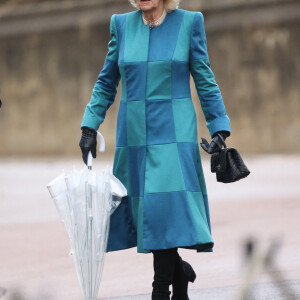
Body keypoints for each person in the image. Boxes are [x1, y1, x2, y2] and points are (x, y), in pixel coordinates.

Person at [79, 0, 231, 299]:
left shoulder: (189, 22)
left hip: (175, 134)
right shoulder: (121, 25)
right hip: (133, 134)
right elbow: (107, 81)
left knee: (163, 208)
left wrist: (219, 128)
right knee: (148, 211)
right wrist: (89, 126)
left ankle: (160, 290)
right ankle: (179, 272)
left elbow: (204, 78)